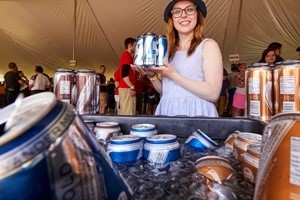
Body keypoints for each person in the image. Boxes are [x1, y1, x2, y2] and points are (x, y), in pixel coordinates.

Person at [132, 0, 223, 117]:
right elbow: (167, 91)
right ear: (172, 19)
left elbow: (213, 94)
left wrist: (174, 75)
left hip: (197, 115)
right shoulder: (167, 50)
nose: (183, 15)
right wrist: (152, 76)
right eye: (177, 12)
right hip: (167, 113)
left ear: (197, 15)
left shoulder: (208, 45)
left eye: (189, 9)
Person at [118, 37, 137, 115]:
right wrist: (132, 87)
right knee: (128, 114)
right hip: (127, 89)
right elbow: (124, 74)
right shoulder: (126, 56)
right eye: (135, 45)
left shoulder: (128, 56)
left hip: (126, 89)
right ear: (130, 46)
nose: (136, 47)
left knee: (128, 112)